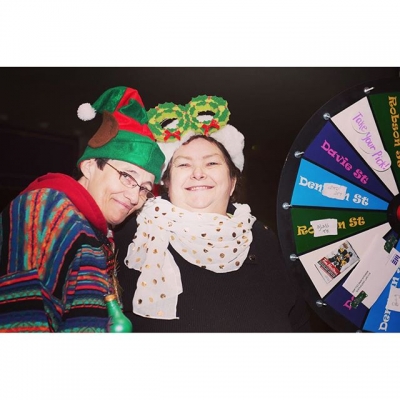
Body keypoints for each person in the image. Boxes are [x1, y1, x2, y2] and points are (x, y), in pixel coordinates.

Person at [114, 95, 310, 332]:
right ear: (166, 181)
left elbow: (299, 323)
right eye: (184, 164)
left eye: (212, 164)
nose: (198, 173)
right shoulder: (133, 235)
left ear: (233, 181)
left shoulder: (264, 240)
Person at [0, 86, 165, 332]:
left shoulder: (97, 230)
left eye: (144, 188)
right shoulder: (46, 210)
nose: (134, 196)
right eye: (127, 177)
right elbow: (20, 319)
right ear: (89, 166)